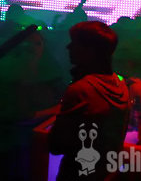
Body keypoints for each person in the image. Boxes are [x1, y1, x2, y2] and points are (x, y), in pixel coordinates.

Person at [48, 21, 130, 181]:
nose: (68, 47)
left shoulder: (81, 90)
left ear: (90, 51)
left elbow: (56, 145)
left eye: (75, 43)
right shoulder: (121, 86)